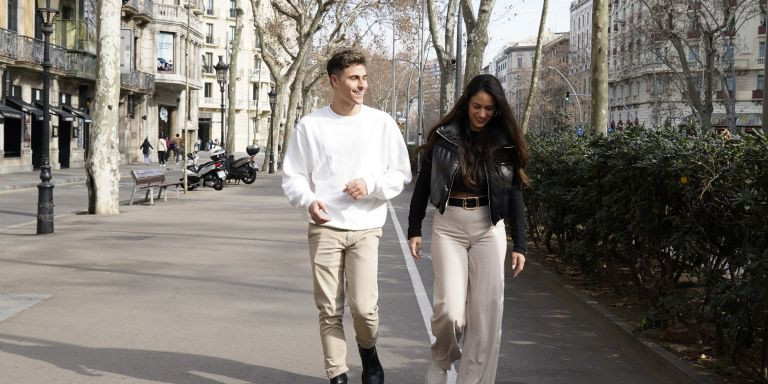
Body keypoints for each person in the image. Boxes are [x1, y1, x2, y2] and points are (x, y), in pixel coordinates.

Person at [282, 48, 411, 384]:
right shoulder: (310, 126)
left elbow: (401, 173)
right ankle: (337, 374)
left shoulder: (381, 123)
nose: (362, 85)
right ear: (334, 80)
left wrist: (370, 184)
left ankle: (368, 353)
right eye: (355, 78)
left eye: (364, 78)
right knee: (329, 310)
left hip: (366, 228)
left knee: (365, 310)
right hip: (324, 228)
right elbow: (293, 176)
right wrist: (308, 200)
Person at [407, 74, 528, 384]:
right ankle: (442, 359)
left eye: (489, 109)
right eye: (477, 106)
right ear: (466, 103)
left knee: (486, 316)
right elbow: (424, 183)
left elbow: (515, 192)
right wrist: (413, 227)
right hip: (449, 227)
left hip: (489, 227)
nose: (482, 114)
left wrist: (521, 245)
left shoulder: (504, 142)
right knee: (448, 311)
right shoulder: (445, 137)